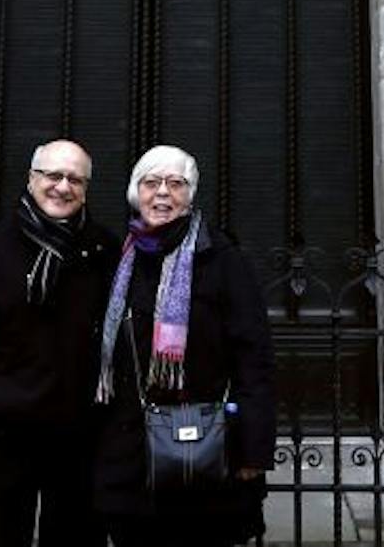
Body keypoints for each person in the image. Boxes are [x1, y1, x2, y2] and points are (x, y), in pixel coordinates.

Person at [0, 140, 117, 546]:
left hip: (80, 432)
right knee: (2, 535)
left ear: (86, 188)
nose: (63, 187)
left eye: (75, 179)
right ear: (32, 179)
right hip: (8, 429)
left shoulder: (104, 249)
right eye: (53, 175)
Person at [92, 146, 275, 547]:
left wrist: (252, 448)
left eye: (176, 184)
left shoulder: (223, 260)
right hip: (130, 450)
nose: (162, 194)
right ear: (134, 192)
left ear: (191, 195)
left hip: (205, 446)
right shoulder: (115, 259)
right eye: (151, 183)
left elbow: (253, 356)